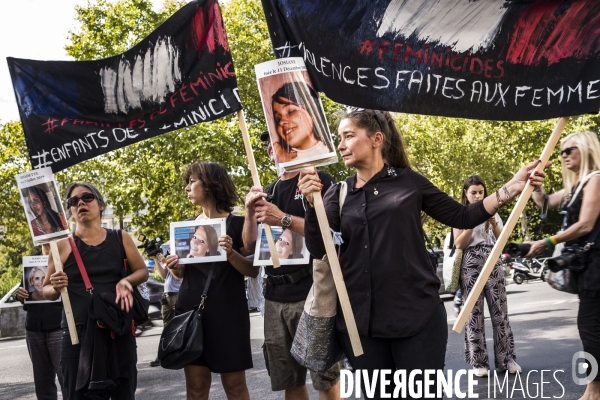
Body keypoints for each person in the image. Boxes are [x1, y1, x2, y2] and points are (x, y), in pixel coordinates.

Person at [298, 109, 547, 398]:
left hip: (418, 320)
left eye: (349, 136)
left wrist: (511, 187)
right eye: (339, 137)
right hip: (361, 327)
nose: (340, 144)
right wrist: (310, 205)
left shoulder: (408, 181)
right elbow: (319, 249)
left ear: (376, 139)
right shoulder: (336, 194)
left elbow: (462, 216)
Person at [242, 131, 341, 400]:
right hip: (274, 297)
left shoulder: (316, 181)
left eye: (278, 141)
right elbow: (250, 248)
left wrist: (282, 218)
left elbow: (328, 232)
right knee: (289, 380)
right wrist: (250, 213)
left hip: (312, 292)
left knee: (325, 379)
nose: (272, 148)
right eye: (269, 145)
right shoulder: (268, 191)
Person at [42, 182, 148, 400]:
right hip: (77, 336)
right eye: (73, 201)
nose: (80, 202)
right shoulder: (61, 245)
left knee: (123, 394)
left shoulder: (121, 237)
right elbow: (46, 290)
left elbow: (142, 272)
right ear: (69, 211)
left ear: (100, 204)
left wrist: (127, 281)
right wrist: (56, 285)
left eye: (87, 197)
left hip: (117, 331)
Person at [164, 162, 257, 400]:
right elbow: (182, 275)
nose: (187, 188)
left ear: (210, 184)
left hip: (228, 313)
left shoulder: (237, 225)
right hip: (190, 313)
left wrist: (231, 253)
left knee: (235, 387)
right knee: (195, 388)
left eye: (192, 181)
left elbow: (253, 271)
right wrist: (174, 267)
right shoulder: (185, 227)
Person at [527, 131, 600, 400]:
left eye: (570, 149)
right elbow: (544, 203)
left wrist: (549, 240)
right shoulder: (576, 186)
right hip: (586, 268)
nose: (564, 154)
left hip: (596, 267)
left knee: (590, 327)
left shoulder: (595, 180)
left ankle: (593, 391)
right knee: (591, 326)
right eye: (561, 151)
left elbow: (586, 224)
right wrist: (536, 186)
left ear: (586, 149)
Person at [453, 175, 520, 377]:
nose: (477, 196)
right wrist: (472, 222)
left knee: (500, 312)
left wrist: (493, 223)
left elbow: (504, 240)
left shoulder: (492, 209)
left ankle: (507, 359)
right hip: (470, 262)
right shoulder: (459, 214)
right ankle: (479, 363)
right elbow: (459, 244)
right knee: (474, 314)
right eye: (473, 192)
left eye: (481, 192)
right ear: (466, 193)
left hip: (493, 258)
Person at [15, 245, 64, 400]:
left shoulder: (64, 258)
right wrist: (20, 295)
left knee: (66, 377)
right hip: (34, 329)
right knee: (42, 382)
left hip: (59, 327)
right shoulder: (33, 260)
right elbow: (23, 293)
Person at [270, 82, 332, 163]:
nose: (282, 122)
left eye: (291, 112)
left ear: (313, 113)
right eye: (278, 119)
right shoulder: (283, 160)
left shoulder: (330, 152)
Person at [149, 255, 183, 367]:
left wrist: (166, 263)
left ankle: (183, 354)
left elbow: (178, 277)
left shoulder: (179, 258)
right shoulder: (168, 257)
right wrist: (156, 260)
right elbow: (163, 276)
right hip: (167, 296)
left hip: (177, 295)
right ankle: (162, 355)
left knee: (181, 326)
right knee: (166, 327)